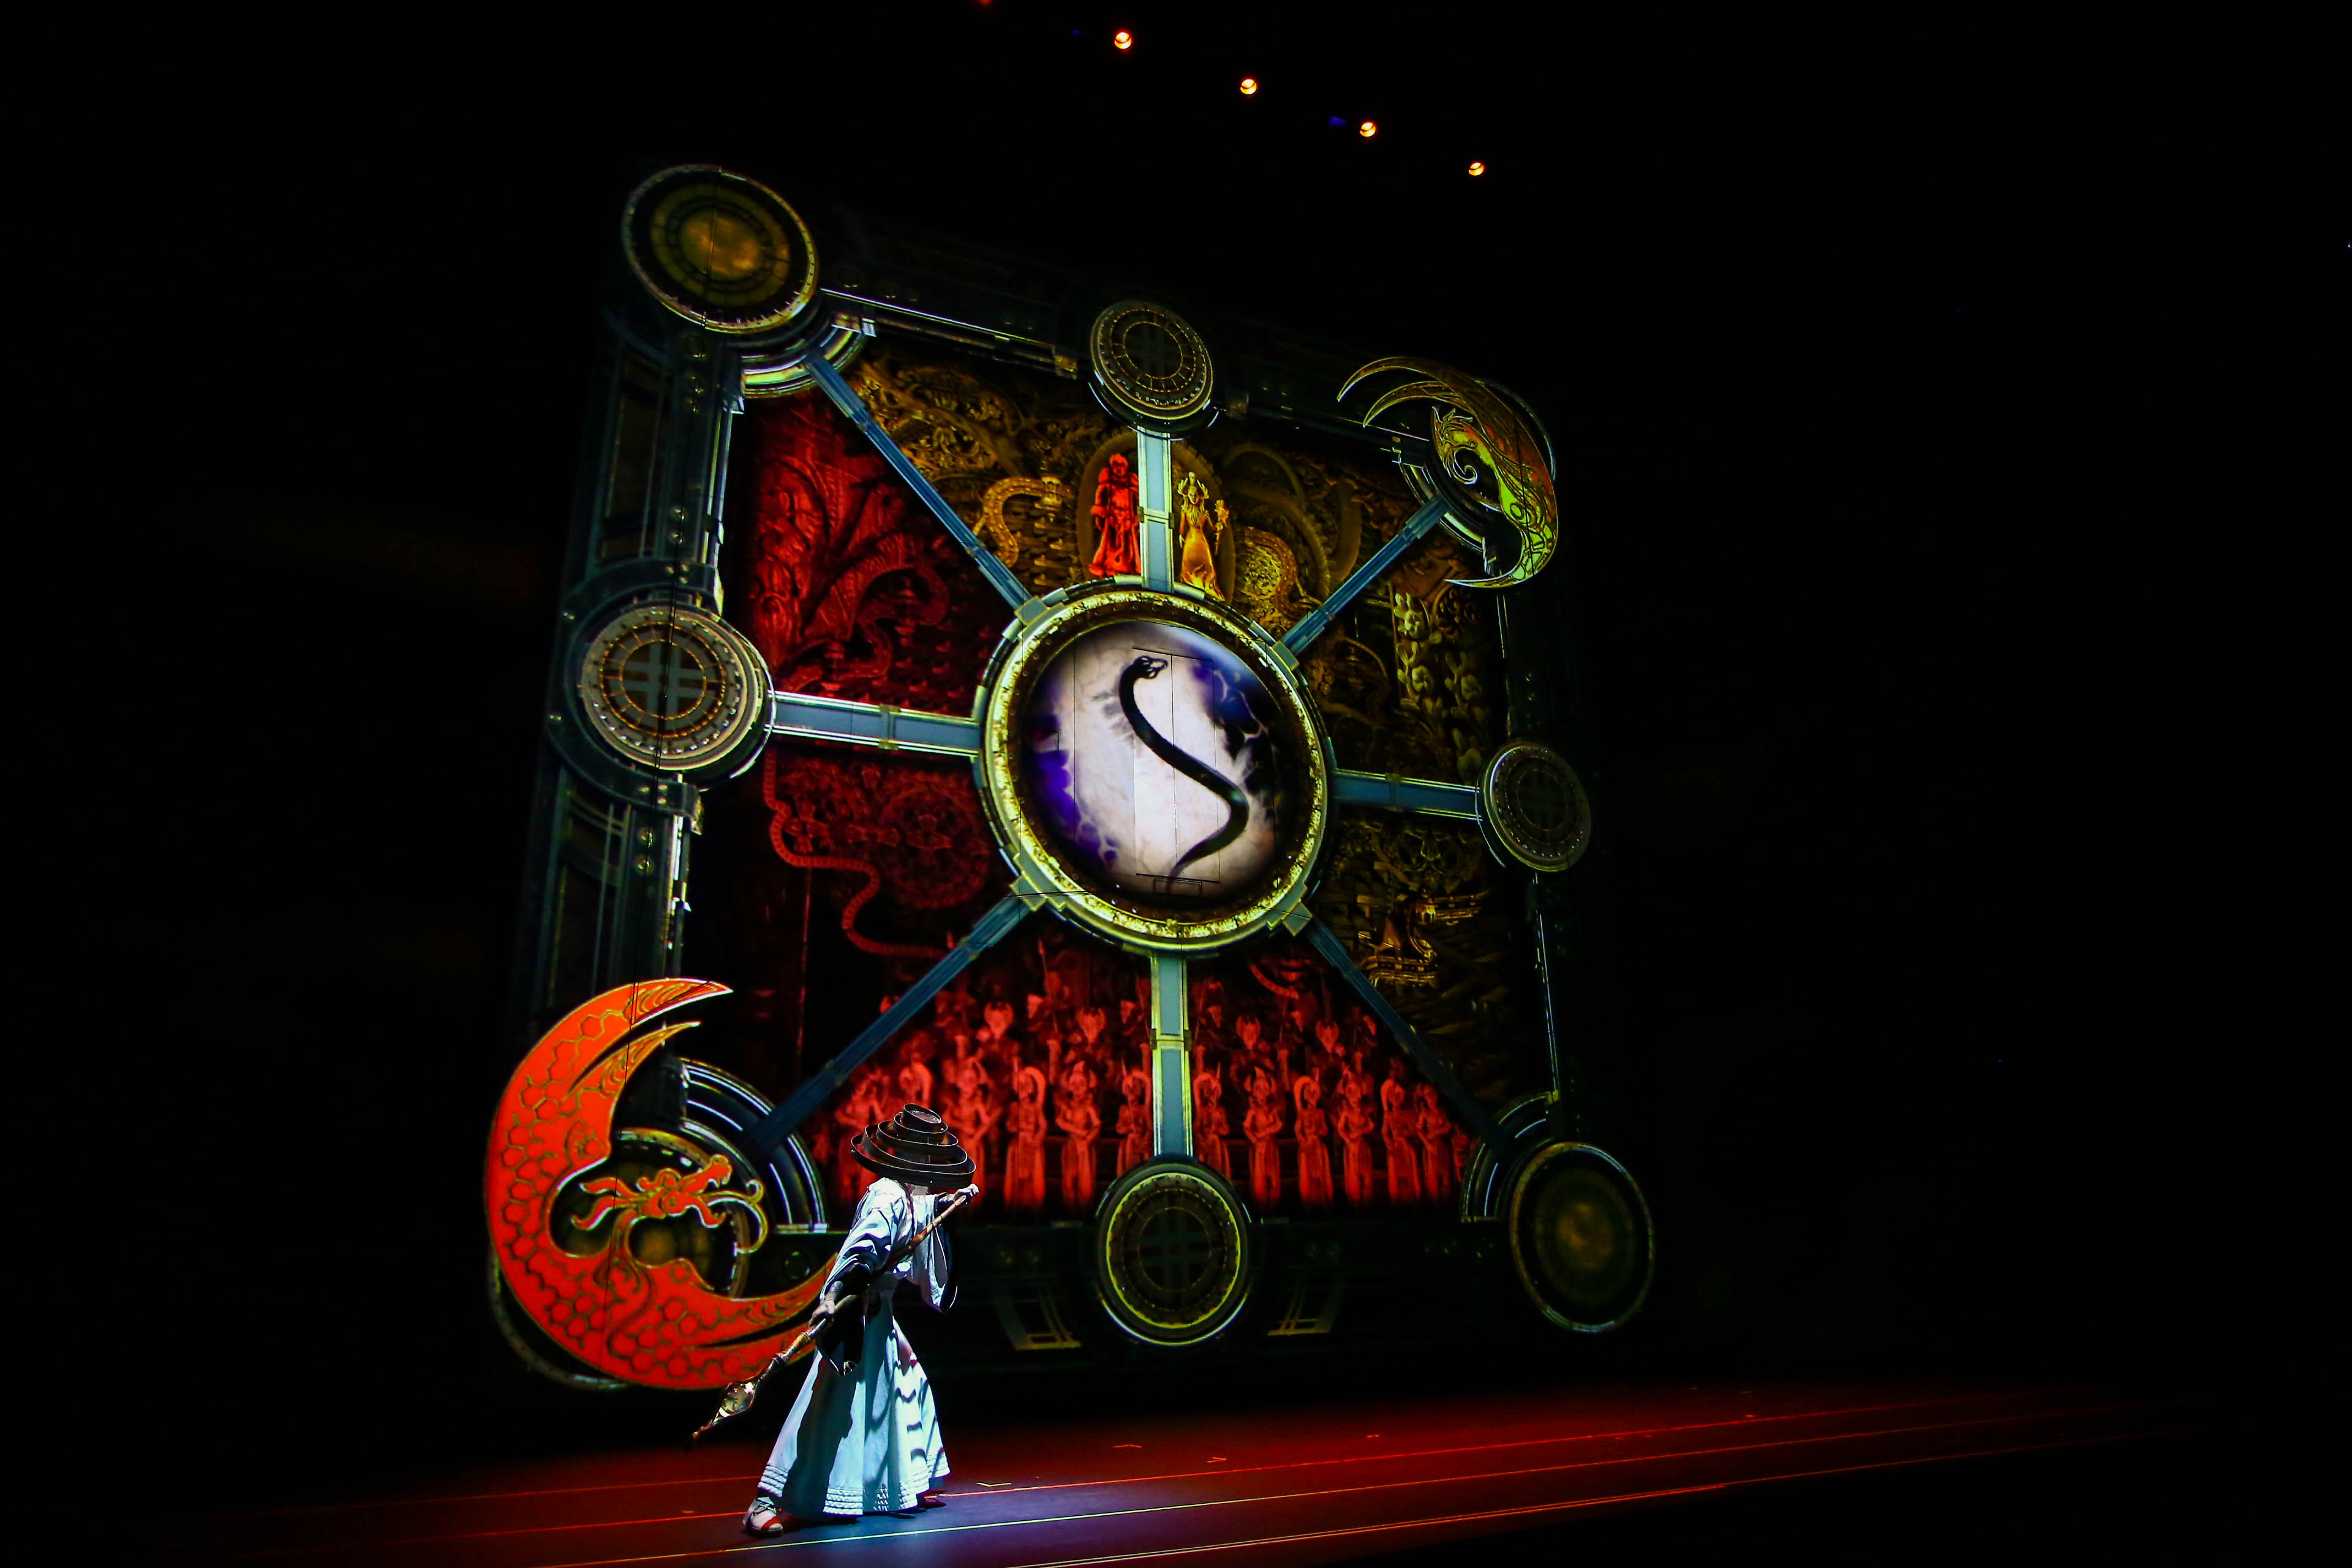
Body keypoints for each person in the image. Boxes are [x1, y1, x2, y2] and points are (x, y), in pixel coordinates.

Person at [745, 1106, 979, 1535]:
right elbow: (861, 1250)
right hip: (859, 1311)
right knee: (829, 1404)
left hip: (881, 1314)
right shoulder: (886, 1196)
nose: (928, 1165)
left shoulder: (909, 1196)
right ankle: (766, 1500)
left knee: (909, 1384)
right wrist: (833, 1298)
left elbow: (922, 1211)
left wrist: (947, 1201)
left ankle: (908, 1482)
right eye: (922, 1156)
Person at [1087, 451, 1141, 578]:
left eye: (1121, 465)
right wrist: (1100, 510)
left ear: (1126, 467)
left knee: (1128, 546)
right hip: (1113, 518)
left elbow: (1139, 500)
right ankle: (1108, 566)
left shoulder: (1132, 483)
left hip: (1127, 519)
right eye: (1116, 466)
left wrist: (1137, 517)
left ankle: (1128, 568)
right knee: (1110, 544)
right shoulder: (1109, 483)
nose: (1119, 469)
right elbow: (1100, 495)